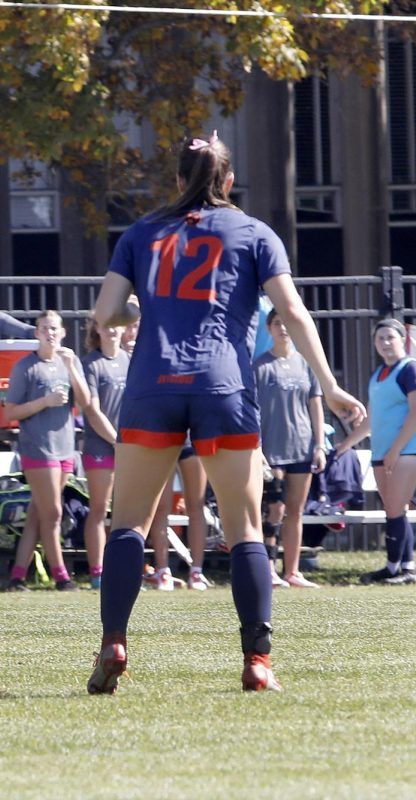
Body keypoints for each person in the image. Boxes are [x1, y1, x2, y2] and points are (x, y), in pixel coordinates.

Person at [86, 131, 364, 694]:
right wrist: (330, 387)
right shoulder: (255, 233)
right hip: (225, 388)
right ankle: (257, 660)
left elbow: (106, 314)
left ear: (176, 180)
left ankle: (114, 641)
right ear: (229, 182)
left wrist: (150, 305)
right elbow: (293, 311)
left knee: (129, 524)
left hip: (152, 387)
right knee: (243, 528)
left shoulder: (141, 233)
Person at [4, 309, 91, 592]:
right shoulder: (25, 367)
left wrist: (72, 368)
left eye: (54, 328)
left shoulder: (69, 361)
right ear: (37, 333)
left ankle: (17, 576)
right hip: (38, 450)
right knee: (53, 513)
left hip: (65, 448)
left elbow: (86, 402)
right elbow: (10, 412)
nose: (49, 333)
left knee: (38, 514)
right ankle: (62, 576)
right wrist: (46, 401)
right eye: (44, 328)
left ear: (63, 333)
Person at [334, 318, 416, 585]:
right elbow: (370, 420)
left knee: (394, 509)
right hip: (382, 452)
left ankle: (399, 568)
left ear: (402, 339)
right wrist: (345, 445)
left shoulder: (409, 369)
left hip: (405, 451)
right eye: (380, 338)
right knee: (395, 510)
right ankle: (402, 566)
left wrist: (396, 449)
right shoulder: (379, 374)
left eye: (390, 337)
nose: (385, 343)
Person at [254, 308, 325, 589]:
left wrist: (319, 444)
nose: (283, 329)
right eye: (277, 323)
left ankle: (292, 571)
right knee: (275, 510)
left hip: (302, 446)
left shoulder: (307, 364)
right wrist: (256, 446)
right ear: (269, 328)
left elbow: (315, 404)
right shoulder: (259, 365)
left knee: (295, 510)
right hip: (272, 450)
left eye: (287, 324)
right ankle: (268, 569)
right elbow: (251, 409)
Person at [79, 316, 129, 589]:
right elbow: (92, 410)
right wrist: (116, 441)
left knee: (127, 512)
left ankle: (124, 571)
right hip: (101, 447)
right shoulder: (90, 364)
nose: (111, 329)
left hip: (129, 447)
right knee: (99, 509)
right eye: (105, 324)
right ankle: (98, 573)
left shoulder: (130, 360)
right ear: (96, 329)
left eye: (115, 323)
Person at [143, 443, 212, 591]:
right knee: (161, 509)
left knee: (196, 506)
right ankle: (163, 572)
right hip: (165, 441)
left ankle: (196, 572)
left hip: (191, 441)